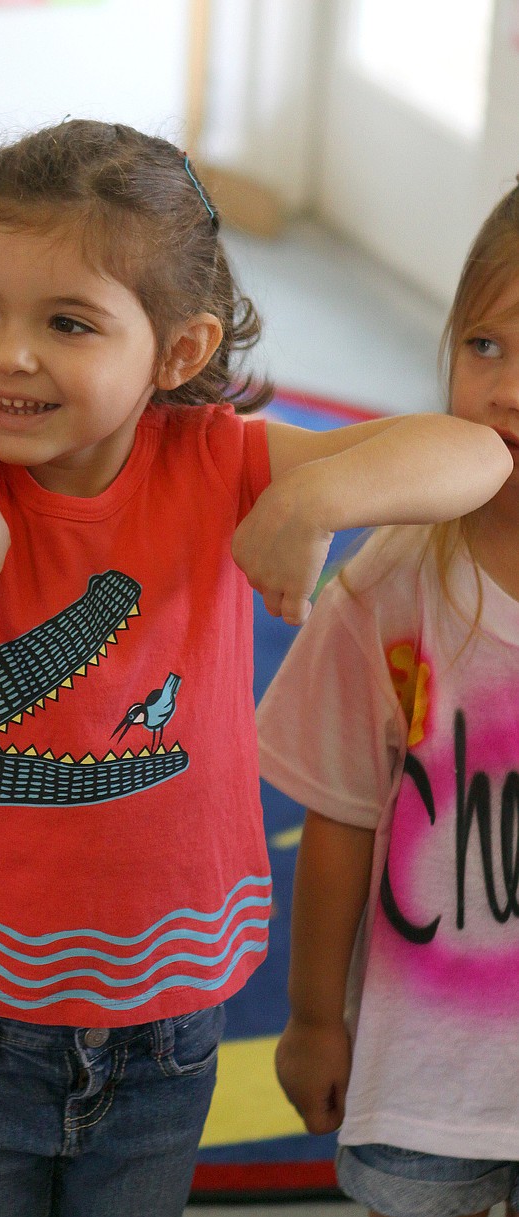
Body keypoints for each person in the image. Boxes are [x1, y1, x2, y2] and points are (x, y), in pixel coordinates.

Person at [0, 121, 512, 1217]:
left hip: (167, 1010)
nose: (8, 353)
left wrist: (314, 498)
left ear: (177, 351)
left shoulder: (219, 457)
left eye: (67, 322)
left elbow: (471, 454)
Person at [257, 177, 519, 1217]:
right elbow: (340, 815)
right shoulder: (388, 583)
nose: (504, 388)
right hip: (427, 1082)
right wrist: (315, 1015)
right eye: (484, 346)